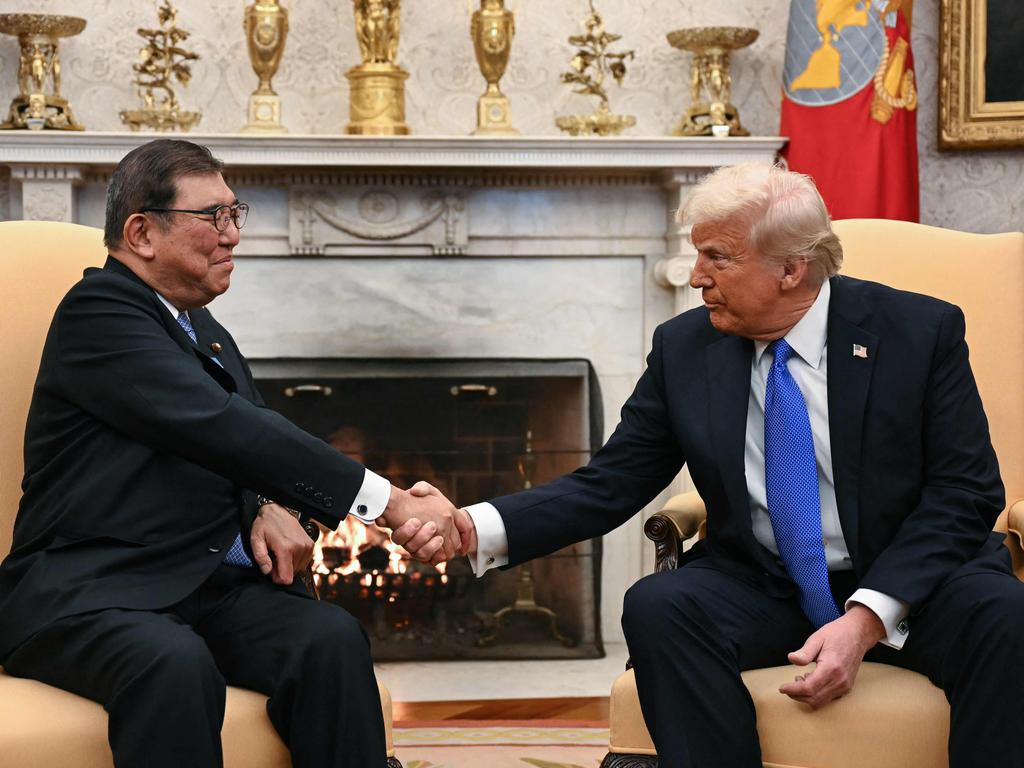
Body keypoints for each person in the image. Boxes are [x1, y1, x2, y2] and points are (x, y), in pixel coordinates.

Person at [399, 162, 1024, 767]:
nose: (696, 277)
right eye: (697, 255)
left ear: (791, 268)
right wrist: (471, 526)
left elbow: (964, 492)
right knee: (660, 605)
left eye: (717, 257)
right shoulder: (685, 348)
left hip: (917, 580)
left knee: (1007, 617)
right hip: (767, 581)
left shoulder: (917, 331)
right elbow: (614, 481)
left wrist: (866, 619)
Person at [0, 138, 463, 768]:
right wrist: (390, 504)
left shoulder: (203, 330)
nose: (232, 235)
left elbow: (249, 437)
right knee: (173, 663)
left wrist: (267, 503)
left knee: (329, 639)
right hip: (92, 591)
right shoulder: (99, 314)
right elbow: (219, 426)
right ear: (141, 232)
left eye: (234, 213)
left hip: (203, 582)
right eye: (212, 216)